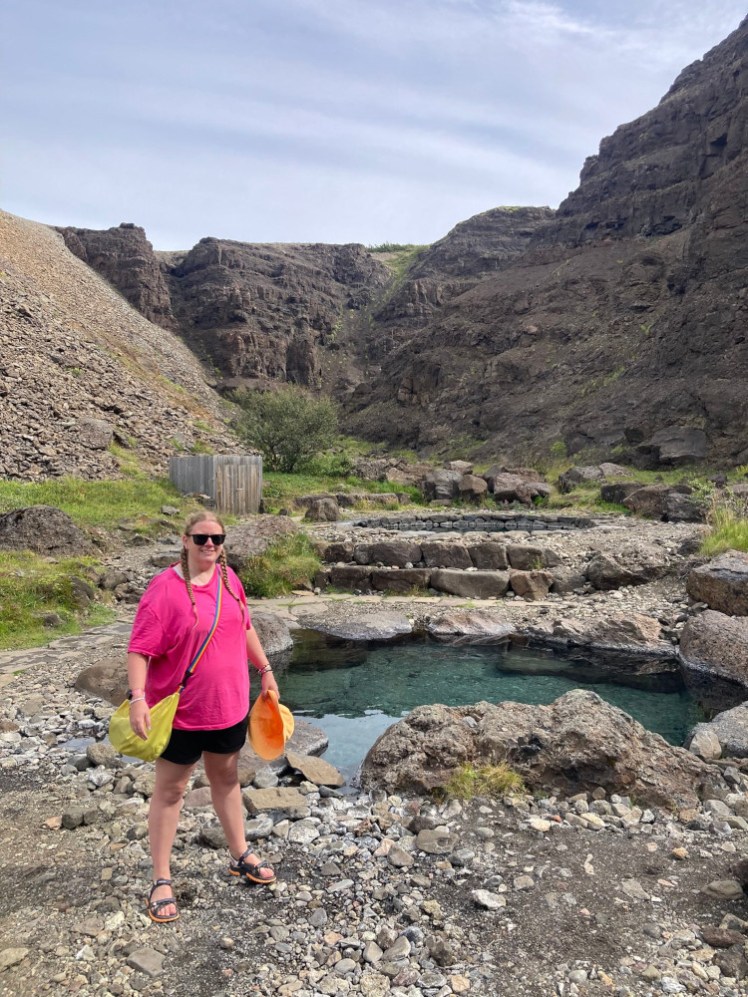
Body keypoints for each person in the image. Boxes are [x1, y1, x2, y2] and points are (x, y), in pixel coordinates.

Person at [126, 510, 280, 923]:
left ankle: (240, 854)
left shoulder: (231, 581)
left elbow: (245, 627)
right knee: (171, 791)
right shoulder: (163, 589)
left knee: (227, 780)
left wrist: (265, 670)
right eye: (201, 538)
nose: (209, 544)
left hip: (229, 707)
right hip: (180, 714)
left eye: (216, 537)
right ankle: (160, 878)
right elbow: (140, 648)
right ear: (185, 539)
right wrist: (138, 697)